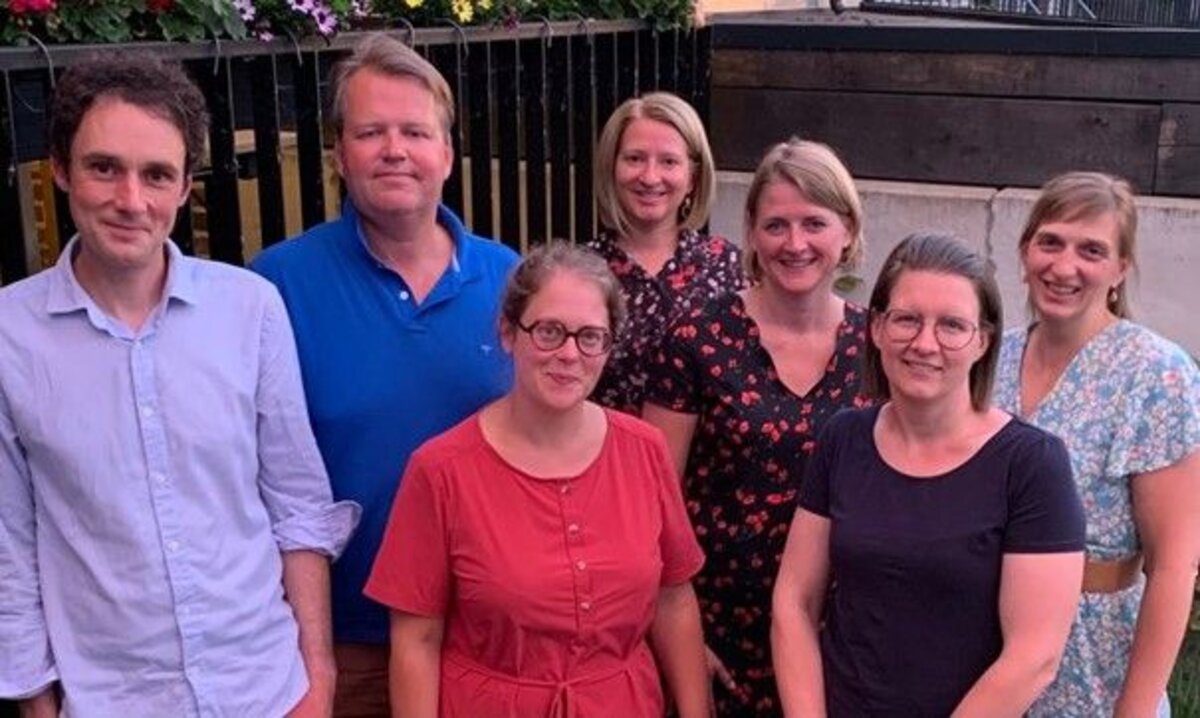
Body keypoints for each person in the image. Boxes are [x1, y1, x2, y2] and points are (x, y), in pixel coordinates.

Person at [0, 54, 359, 717]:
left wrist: (318, 676)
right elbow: (8, 547)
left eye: (157, 174)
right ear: (59, 169)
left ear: (186, 184)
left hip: (267, 691)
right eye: (104, 168)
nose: (131, 200)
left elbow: (297, 502)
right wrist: (37, 707)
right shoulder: (10, 336)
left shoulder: (249, 308)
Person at [251, 33, 520, 716]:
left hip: (487, 640)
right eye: (371, 132)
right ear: (339, 154)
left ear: (447, 153)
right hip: (344, 645)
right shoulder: (276, 286)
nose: (394, 150)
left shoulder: (511, 280)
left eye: (415, 132)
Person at [364, 242, 711, 717]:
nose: (569, 354)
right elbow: (417, 640)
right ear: (509, 333)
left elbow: (673, 599)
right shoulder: (441, 470)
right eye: (549, 332)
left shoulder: (644, 449)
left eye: (591, 337)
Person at [772, 232, 1087, 717]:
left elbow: (1034, 656)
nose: (924, 343)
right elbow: (795, 599)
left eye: (952, 326)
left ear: (983, 341)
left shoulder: (1031, 465)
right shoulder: (844, 438)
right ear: (877, 328)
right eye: (907, 319)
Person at [642, 138, 869, 716]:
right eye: (775, 225)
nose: (795, 244)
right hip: (717, 633)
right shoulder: (697, 340)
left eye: (814, 223)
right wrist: (678, 637)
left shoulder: (879, 346)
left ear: (847, 230)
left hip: (839, 636)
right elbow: (653, 504)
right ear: (751, 232)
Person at [993, 172, 1200, 717]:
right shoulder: (989, 359)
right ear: (1025, 252)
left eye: (1091, 250)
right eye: (1050, 242)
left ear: (1120, 268)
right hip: (985, 650)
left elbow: (1174, 565)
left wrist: (1133, 710)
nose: (1064, 267)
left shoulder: (1155, 375)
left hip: (1091, 664)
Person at [587, 92, 743, 416]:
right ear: (611, 167)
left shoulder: (729, 266)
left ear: (693, 178)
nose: (649, 177)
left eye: (669, 162)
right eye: (635, 158)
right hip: (606, 445)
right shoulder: (580, 271)